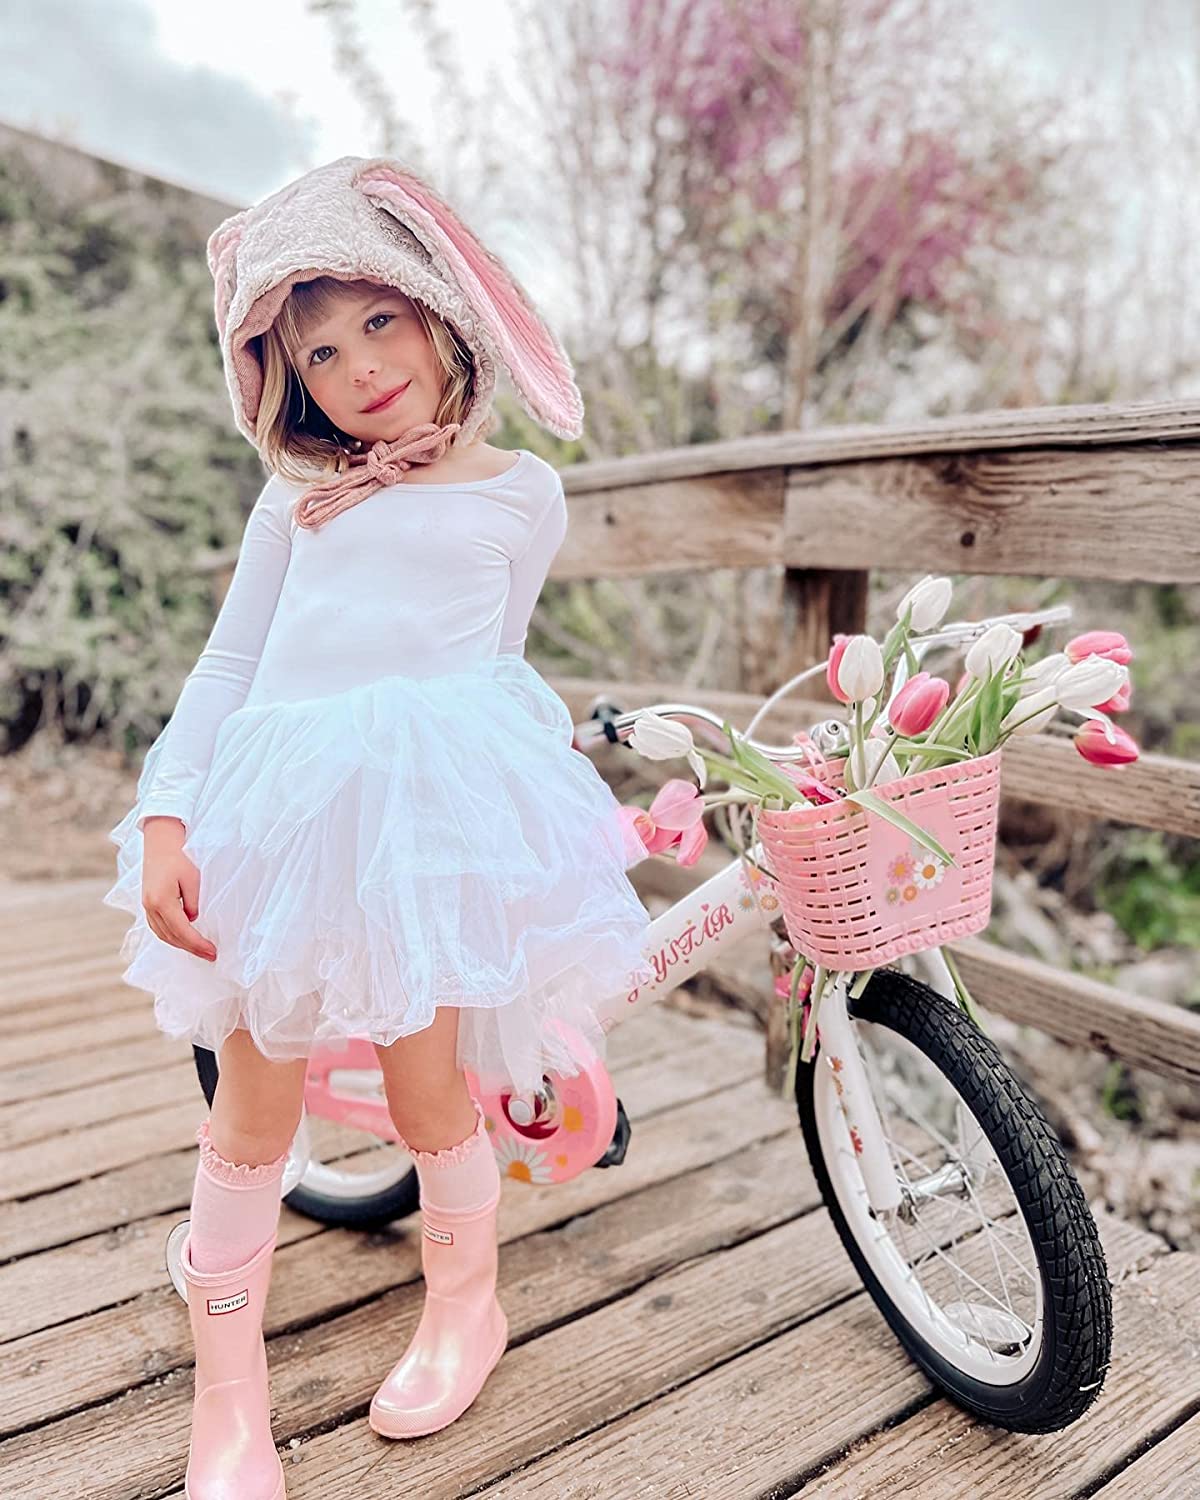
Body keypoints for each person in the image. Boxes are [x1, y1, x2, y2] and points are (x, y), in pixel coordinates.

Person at [101, 155, 654, 1500]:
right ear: (286, 380)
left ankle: (466, 1306)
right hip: (282, 815)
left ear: (438, 311)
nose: (358, 367)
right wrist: (170, 813)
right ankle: (229, 1395)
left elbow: (492, 661)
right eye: (319, 352)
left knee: (428, 1087)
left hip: (424, 825)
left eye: (378, 322)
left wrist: (507, 807)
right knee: (254, 1099)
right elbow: (230, 666)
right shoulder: (298, 498)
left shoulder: (523, 493)